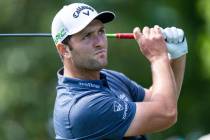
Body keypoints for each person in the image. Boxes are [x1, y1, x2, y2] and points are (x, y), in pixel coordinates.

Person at [51, 3, 188, 140]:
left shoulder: (109, 77)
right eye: (87, 36)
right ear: (64, 50)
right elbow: (165, 113)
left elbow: (158, 100)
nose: (99, 42)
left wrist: (177, 56)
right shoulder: (80, 107)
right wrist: (158, 57)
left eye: (101, 31)